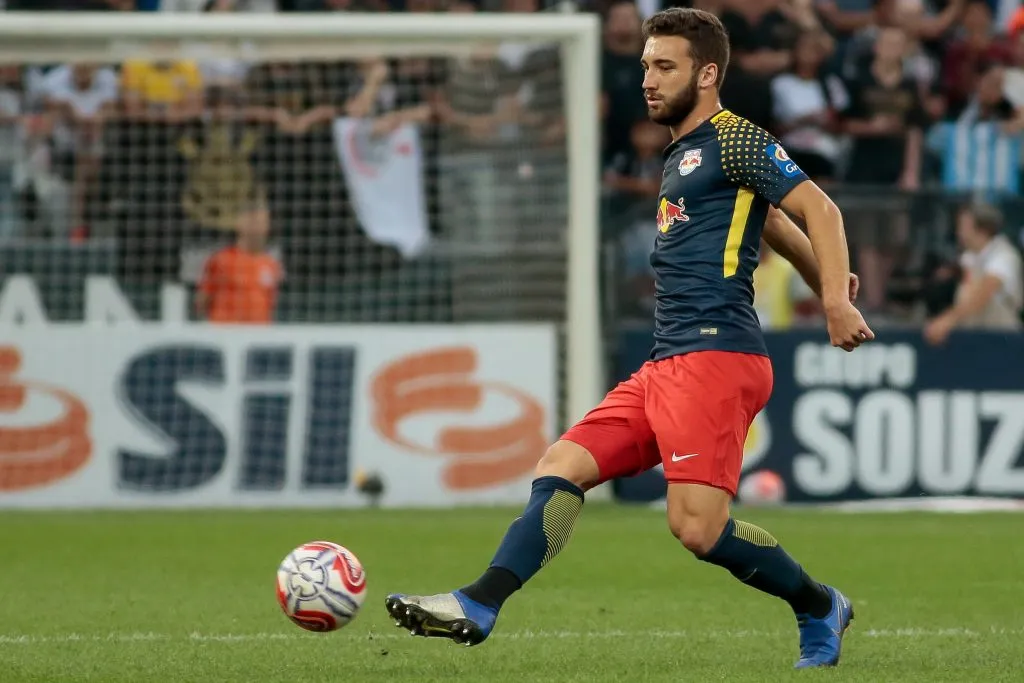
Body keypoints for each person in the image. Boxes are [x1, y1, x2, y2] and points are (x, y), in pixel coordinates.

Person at [385, 8, 873, 670]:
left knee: (697, 529)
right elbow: (778, 227)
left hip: (715, 354)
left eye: (664, 66)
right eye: (646, 64)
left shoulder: (734, 138)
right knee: (561, 465)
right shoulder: (684, 153)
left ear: (707, 73)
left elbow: (818, 208)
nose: (648, 78)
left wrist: (836, 302)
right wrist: (827, 284)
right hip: (668, 360)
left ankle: (819, 604)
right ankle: (480, 601)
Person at [924, 202, 1023, 345]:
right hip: (975, 336)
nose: (959, 233)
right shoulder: (970, 257)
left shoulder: (1005, 256)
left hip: (1004, 338)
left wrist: (947, 320)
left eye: (964, 227)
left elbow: (983, 293)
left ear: (982, 230)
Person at [195, 203, 283, 324]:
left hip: (258, 336)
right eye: (255, 221)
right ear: (240, 224)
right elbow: (201, 302)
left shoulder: (271, 264)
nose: (260, 228)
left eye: (264, 223)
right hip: (226, 335)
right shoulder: (222, 259)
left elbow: (271, 303)